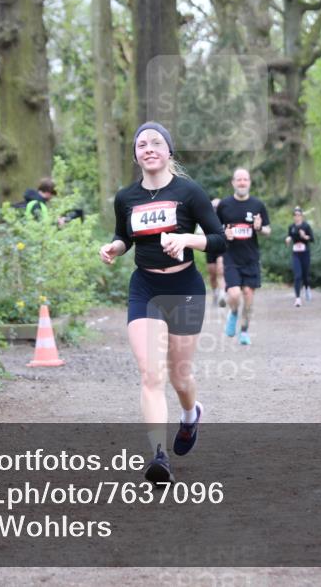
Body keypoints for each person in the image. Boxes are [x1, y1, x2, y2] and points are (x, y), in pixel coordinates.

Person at [98, 122, 227, 485]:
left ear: (169, 151)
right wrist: (114, 248)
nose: (149, 148)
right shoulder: (126, 198)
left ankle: (190, 414)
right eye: (141, 144)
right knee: (150, 374)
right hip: (146, 287)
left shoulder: (189, 192)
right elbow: (124, 236)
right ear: (136, 154)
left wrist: (187, 239)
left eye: (156, 143)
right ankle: (159, 456)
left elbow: (219, 240)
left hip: (184, 285)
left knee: (179, 374)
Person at [216, 168, 270, 346]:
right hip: (231, 257)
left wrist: (259, 228)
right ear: (233, 182)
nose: (242, 183)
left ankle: (245, 331)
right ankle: (233, 313)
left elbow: (268, 231)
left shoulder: (257, 205)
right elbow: (214, 229)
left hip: (251, 258)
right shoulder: (224, 205)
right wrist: (224, 233)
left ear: (249, 183)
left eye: (245, 179)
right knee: (234, 294)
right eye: (238, 179)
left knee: (248, 296)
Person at [286, 206, 314, 307]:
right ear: (293, 217)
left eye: (299, 215)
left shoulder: (306, 226)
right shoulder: (291, 227)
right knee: (297, 275)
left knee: (305, 275)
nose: (297, 217)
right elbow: (290, 236)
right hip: (296, 254)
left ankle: (307, 288)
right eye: (295, 215)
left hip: (305, 253)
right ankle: (297, 299)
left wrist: (304, 236)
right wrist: (288, 239)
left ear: (302, 216)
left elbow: (312, 239)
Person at [205, 197, 227, 307]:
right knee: (212, 274)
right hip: (210, 247)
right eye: (213, 206)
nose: (216, 208)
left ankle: (222, 295)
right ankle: (215, 293)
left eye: (218, 206)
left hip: (222, 247)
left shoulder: (226, 217)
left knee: (220, 270)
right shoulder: (206, 218)